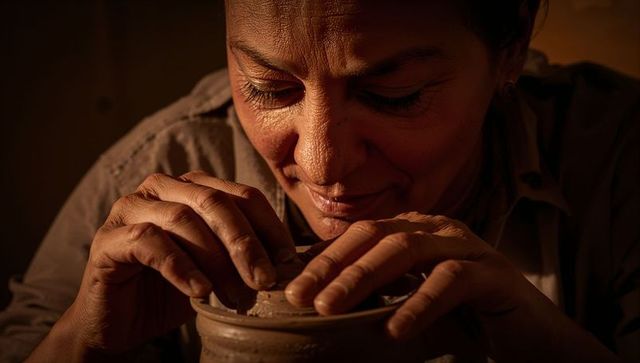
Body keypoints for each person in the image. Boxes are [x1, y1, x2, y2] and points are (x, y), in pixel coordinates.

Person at [1, 0, 638, 362]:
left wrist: (550, 348)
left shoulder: (616, 155)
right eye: (268, 88)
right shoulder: (160, 166)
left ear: (509, 49)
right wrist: (79, 342)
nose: (321, 165)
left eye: (395, 94)